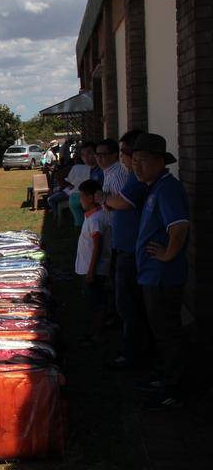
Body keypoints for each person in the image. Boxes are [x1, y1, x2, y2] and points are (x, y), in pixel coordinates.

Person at [102, 133, 189, 409]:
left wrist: (168, 253)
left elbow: (179, 226)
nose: (136, 167)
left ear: (160, 161)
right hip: (150, 274)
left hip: (162, 275)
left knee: (167, 332)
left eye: (143, 161)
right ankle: (162, 376)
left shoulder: (167, 189)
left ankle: (173, 388)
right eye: (134, 160)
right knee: (158, 330)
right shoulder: (153, 187)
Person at [95, 130, 148, 370]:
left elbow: (120, 201)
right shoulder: (132, 177)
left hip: (130, 249)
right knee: (125, 300)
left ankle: (134, 352)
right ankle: (131, 345)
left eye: (125, 153)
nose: (125, 158)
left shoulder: (132, 179)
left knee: (128, 302)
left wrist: (104, 198)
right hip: (124, 245)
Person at [76, 179, 112, 346]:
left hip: (93, 270)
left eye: (82, 196)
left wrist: (91, 271)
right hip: (87, 268)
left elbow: (98, 245)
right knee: (92, 302)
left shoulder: (96, 219)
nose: (80, 200)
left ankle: (97, 334)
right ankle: (92, 331)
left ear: (91, 198)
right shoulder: (91, 217)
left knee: (96, 303)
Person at [66, 142, 97, 227]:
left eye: (89, 153)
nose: (86, 157)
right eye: (83, 155)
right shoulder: (90, 170)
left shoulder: (98, 171)